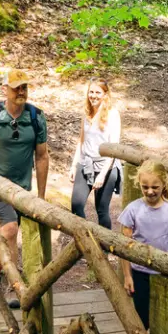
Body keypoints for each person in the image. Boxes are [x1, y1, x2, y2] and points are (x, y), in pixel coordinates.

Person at [0, 68, 49, 306]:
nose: (21, 92)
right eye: (16, 88)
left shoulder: (36, 117)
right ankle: (15, 287)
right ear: (5, 90)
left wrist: (41, 196)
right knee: (10, 231)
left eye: (24, 87)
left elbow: (42, 156)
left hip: (22, 189)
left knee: (9, 235)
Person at [115, 160, 168, 334]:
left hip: (165, 274)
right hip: (140, 272)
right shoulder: (133, 210)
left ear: (164, 184)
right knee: (142, 316)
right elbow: (124, 247)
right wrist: (127, 276)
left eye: (155, 187)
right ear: (139, 184)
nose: (150, 191)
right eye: (145, 187)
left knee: (164, 320)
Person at [71, 79, 123, 229]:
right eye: (91, 92)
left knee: (101, 210)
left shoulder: (112, 114)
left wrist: (102, 175)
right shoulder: (86, 113)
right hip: (86, 162)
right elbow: (81, 141)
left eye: (98, 92)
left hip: (106, 165)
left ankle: (104, 249)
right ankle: (86, 241)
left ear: (105, 94)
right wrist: (74, 165)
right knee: (76, 205)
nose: (93, 96)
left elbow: (113, 148)